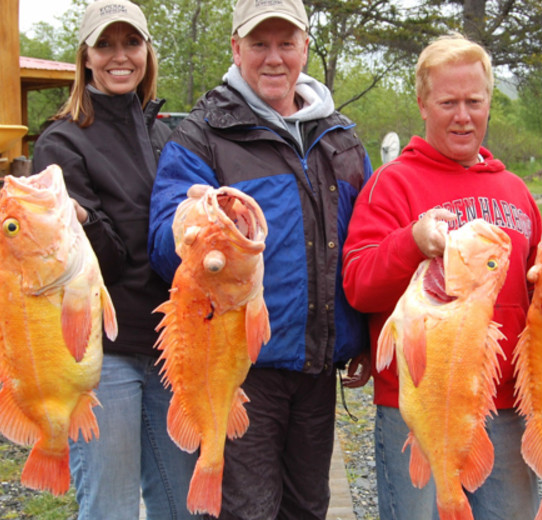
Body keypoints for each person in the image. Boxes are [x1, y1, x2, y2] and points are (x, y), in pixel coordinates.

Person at [147, 0, 373, 518]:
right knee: (247, 510)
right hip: (238, 368)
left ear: (305, 48)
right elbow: (162, 242)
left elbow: (360, 242)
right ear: (235, 49)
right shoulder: (202, 134)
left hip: (317, 370)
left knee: (308, 506)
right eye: (259, 44)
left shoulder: (341, 138)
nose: (274, 58)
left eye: (286, 43)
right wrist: (191, 225)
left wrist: (361, 333)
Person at [341, 33, 542, 520]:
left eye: (474, 101)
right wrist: (411, 241)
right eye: (448, 102)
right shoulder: (392, 184)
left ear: (489, 102)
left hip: (504, 408)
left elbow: (541, 295)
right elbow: (359, 283)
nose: (463, 115)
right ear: (422, 104)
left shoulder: (515, 190)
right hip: (418, 407)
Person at [31, 1, 200, 519]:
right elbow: (85, 262)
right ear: (85, 57)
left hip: (173, 350)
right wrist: (80, 222)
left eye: (132, 43)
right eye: (105, 45)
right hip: (100, 358)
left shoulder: (169, 134)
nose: (119, 56)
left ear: (148, 53)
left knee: (185, 507)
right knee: (111, 509)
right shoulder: (61, 141)